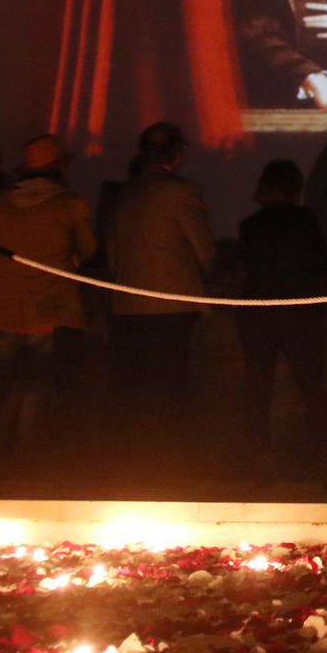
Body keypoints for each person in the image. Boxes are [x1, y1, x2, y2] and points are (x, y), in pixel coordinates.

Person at [0, 136, 96, 475]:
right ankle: (23, 461)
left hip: (1, 309)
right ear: (59, 167)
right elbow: (90, 252)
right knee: (35, 387)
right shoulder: (71, 203)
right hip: (49, 310)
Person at [106, 122, 217, 469]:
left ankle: (122, 461)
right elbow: (205, 250)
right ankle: (168, 460)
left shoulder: (122, 193)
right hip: (172, 304)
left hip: (127, 304)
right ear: (178, 154)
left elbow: (111, 252)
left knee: (129, 386)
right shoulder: (182, 192)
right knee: (170, 384)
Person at [236, 160, 327, 477]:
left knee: (258, 388)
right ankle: (326, 455)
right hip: (298, 313)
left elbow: (246, 269)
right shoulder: (306, 221)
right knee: (311, 385)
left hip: (258, 314)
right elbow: (322, 265)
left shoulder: (251, 225)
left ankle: (256, 457)